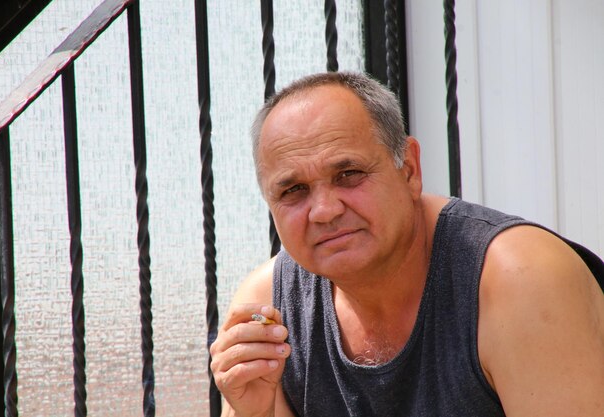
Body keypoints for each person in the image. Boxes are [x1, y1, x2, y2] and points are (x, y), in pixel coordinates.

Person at [209, 71, 604, 416]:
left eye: (348, 173)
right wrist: (253, 414)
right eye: (294, 190)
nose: (324, 211)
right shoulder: (270, 307)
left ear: (410, 170)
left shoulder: (517, 278)